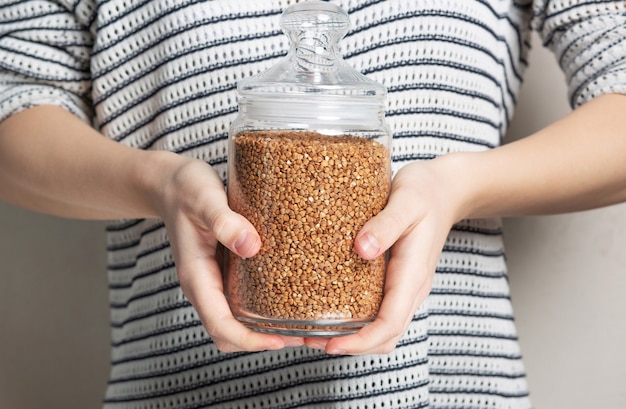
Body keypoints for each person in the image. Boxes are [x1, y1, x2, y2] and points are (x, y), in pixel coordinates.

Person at [0, 0, 624, 408]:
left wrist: (458, 185)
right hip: (179, 384)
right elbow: (14, 101)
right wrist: (155, 184)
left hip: (449, 388)